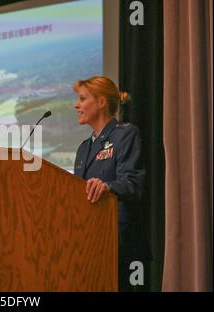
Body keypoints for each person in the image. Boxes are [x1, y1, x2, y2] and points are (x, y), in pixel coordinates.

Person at [73, 76, 148, 291]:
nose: (76, 105)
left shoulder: (126, 134)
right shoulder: (83, 148)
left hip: (124, 246)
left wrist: (107, 186)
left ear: (101, 102)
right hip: (91, 243)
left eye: (82, 98)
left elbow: (133, 184)